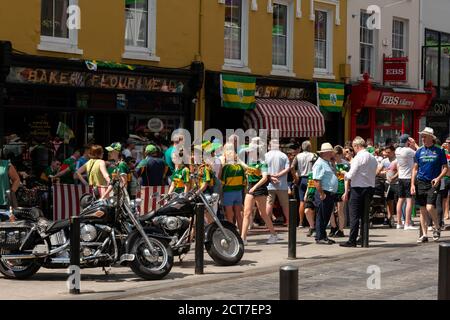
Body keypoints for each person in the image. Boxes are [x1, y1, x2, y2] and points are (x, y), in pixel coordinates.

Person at [412, 128, 448, 243]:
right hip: (420, 182)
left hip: (433, 182)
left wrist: (438, 178)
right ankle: (424, 234)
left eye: (425, 136)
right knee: (422, 209)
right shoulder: (419, 151)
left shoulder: (439, 151)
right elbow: (415, 169)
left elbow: (446, 168)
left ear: (431, 138)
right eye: (422, 136)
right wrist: (412, 184)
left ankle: (437, 227)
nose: (422, 138)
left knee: (429, 207)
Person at [340, 137, 378, 248]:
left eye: (354, 147)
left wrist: (343, 173)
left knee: (354, 215)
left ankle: (352, 240)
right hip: (370, 188)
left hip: (358, 189)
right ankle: (363, 238)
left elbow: (350, 175)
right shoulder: (372, 157)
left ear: (357, 146)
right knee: (365, 215)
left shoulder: (358, 158)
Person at [240, 142, 279, 245]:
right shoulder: (250, 163)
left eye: (250, 151)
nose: (248, 153)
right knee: (246, 213)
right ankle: (243, 238)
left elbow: (264, 177)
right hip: (250, 188)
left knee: (263, 214)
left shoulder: (262, 163)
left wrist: (255, 187)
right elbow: (246, 167)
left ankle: (274, 235)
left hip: (259, 189)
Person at [312, 143, 339, 245]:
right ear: (327, 153)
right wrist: (321, 193)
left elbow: (333, 175)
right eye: (331, 151)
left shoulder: (327, 162)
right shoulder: (320, 163)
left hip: (329, 193)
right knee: (322, 216)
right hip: (324, 192)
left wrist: (333, 164)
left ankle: (323, 236)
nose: (333, 153)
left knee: (326, 215)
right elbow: (316, 180)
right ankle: (320, 237)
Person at [395, 134, 419, 230]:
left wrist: (410, 143)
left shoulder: (397, 150)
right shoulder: (408, 151)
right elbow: (420, 152)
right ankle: (407, 223)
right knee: (409, 201)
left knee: (400, 200)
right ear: (407, 141)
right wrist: (414, 144)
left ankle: (399, 222)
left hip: (401, 177)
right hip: (409, 177)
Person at [220, 144, 245, 233]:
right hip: (238, 193)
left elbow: (222, 182)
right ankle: (242, 234)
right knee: (238, 214)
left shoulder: (226, 168)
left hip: (228, 193)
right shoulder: (240, 167)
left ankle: (232, 233)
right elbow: (243, 182)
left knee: (229, 215)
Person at [265, 139, 290, 226]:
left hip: (269, 184)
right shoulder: (283, 156)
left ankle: (267, 223)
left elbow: (263, 169)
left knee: (269, 203)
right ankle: (288, 221)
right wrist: (278, 175)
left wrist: (271, 176)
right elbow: (287, 168)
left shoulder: (266, 155)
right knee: (285, 204)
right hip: (282, 184)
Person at [291, 141, 315, 228]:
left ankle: (301, 222)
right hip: (311, 179)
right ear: (309, 147)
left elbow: (292, 167)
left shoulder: (298, 156)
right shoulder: (313, 155)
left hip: (301, 179)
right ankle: (311, 222)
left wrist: (295, 177)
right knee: (311, 200)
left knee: (301, 201)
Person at [329, 145, 349, 238]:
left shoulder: (345, 164)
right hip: (331, 188)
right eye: (334, 155)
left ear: (341, 155)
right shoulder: (331, 164)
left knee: (340, 210)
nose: (335, 157)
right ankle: (333, 226)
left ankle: (341, 230)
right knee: (330, 210)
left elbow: (346, 179)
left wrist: (346, 191)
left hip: (340, 188)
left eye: (337, 155)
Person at [377, 145, 398, 226]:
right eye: (386, 152)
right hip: (387, 183)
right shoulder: (384, 161)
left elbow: (399, 171)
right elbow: (378, 171)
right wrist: (381, 173)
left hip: (396, 183)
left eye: (389, 152)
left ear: (393, 152)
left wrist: (394, 177)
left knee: (399, 201)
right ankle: (390, 217)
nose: (387, 154)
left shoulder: (397, 160)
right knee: (389, 201)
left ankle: (401, 219)